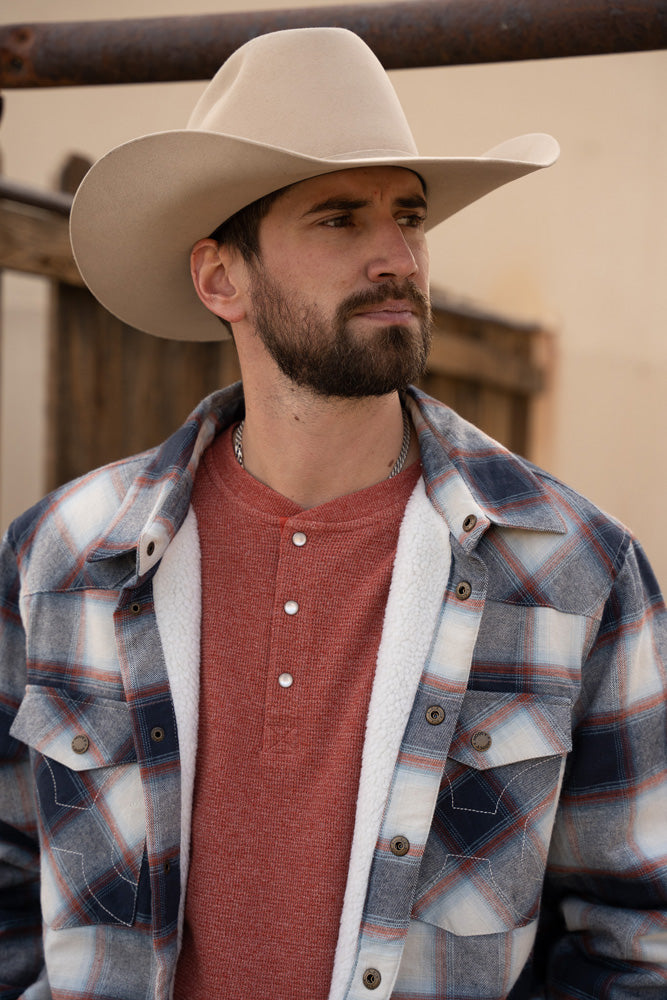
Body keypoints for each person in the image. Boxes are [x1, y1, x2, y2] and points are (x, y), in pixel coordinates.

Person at [0, 25, 665, 1000]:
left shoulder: (573, 566)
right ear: (221, 277)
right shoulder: (60, 556)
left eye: (409, 215)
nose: (397, 255)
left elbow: (637, 945)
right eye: (339, 219)